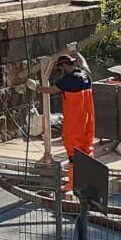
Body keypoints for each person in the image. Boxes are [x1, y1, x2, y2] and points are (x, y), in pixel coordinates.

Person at [27, 50, 95, 192]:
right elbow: (84, 63)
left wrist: (37, 87)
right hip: (88, 120)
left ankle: (73, 183)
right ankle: (89, 179)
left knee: (73, 152)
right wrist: (75, 52)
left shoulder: (68, 79)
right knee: (86, 149)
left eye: (60, 68)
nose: (61, 71)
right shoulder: (85, 75)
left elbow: (51, 90)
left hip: (74, 121)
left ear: (63, 66)